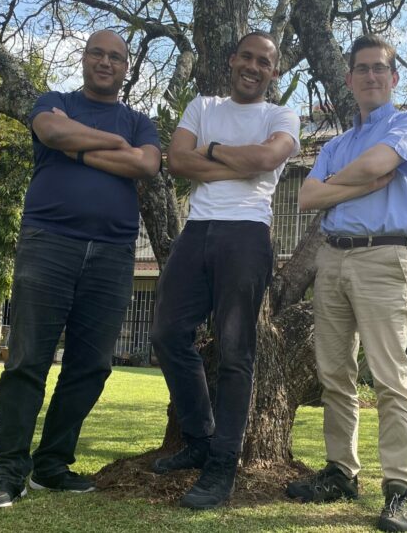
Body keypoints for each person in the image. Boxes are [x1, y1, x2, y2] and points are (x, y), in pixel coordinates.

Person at [0, 30, 161, 509]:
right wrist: (109, 142)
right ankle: (8, 473)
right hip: (48, 243)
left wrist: (78, 149)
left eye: (116, 57)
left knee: (91, 365)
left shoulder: (141, 122)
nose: (106, 62)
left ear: (127, 68)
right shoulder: (54, 101)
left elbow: (145, 165)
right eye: (97, 53)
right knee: (27, 361)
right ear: (84, 59)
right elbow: (52, 131)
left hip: (113, 253)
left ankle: (52, 465)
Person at [288, 34, 407, 532]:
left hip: (385, 256)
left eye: (380, 68)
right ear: (349, 80)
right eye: (362, 69)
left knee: (389, 377)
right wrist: (358, 185)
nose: (371, 76)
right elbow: (307, 197)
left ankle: (400, 488)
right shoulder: (334, 143)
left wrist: (337, 187)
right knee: (334, 375)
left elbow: (379, 164)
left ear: (393, 79)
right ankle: (341, 472)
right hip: (332, 260)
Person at [149, 31, 301, 510]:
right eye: (247, 57)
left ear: (274, 72)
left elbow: (265, 159)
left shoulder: (280, 116)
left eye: (265, 62)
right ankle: (198, 436)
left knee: (236, 351)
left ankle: (222, 463)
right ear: (232, 59)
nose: (254, 67)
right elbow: (175, 161)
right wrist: (238, 161)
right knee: (168, 335)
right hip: (197, 232)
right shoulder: (202, 105)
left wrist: (208, 153)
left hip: (246, 234)